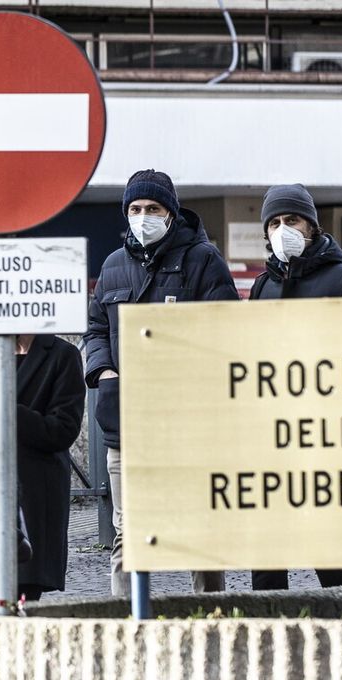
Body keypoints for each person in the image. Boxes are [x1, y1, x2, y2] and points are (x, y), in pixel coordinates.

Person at [82, 169, 238, 598]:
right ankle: (125, 624)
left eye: (152, 209)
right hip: (126, 424)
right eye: (135, 209)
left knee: (197, 534)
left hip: (188, 425)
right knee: (127, 534)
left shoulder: (203, 260)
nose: (143, 217)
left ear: (170, 214)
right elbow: (96, 328)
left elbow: (225, 330)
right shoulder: (113, 265)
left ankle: (212, 617)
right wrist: (103, 372)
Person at [248, 183, 342, 592]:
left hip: (325, 435)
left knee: (327, 548)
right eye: (275, 223)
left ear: (312, 226)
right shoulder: (262, 286)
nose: (283, 229)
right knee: (267, 548)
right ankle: (266, 631)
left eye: (292, 220)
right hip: (271, 435)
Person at [0, 334, 85, 603]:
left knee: (23, 597)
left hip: (33, 495)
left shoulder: (63, 355)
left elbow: (62, 430)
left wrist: (4, 408)